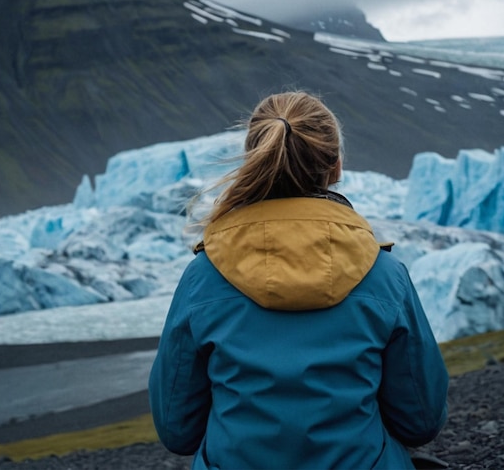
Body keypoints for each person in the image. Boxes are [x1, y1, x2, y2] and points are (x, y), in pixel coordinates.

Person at [149, 91, 448, 469]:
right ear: (336, 166)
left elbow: (178, 430)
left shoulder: (203, 278)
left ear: (254, 161)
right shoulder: (385, 276)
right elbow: (420, 421)